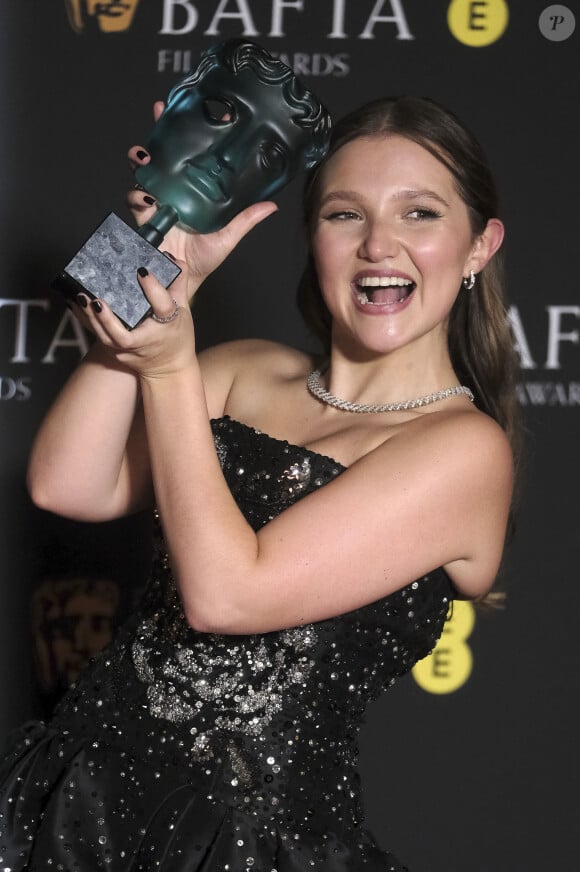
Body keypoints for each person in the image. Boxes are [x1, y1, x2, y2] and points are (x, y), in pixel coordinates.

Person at [0, 95, 519, 871]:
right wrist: (143, 243)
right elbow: (67, 484)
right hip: (71, 800)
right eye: (346, 214)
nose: (380, 245)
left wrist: (170, 366)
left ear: (479, 247)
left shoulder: (464, 451)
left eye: (419, 215)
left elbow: (227, 597)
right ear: (312, 238)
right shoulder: (246, 370)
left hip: (239, 846)